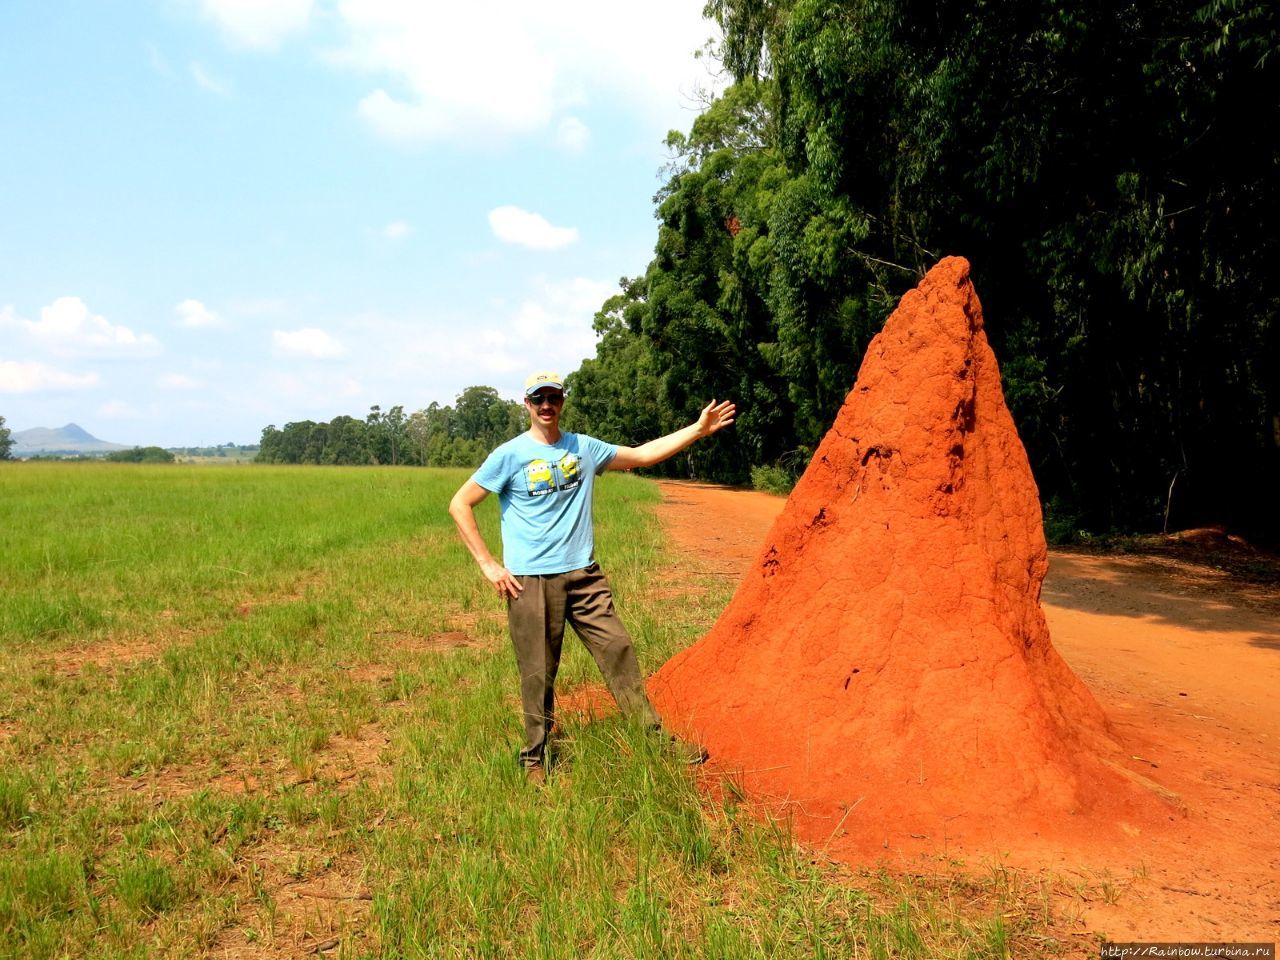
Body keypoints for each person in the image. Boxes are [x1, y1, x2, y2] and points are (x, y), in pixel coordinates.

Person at [449, 371, 736, 784]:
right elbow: (460, 504)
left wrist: (698, 429)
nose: (547, 405)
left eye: (554, 398)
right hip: (530, 582)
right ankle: (534, 756)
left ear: (562, 401)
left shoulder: (584, 447)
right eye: (538, 399)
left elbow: (642, 456)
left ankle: (653, 739)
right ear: (526, 404)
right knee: (537, 671)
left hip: (583, 576)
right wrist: (488, 565)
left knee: (617, 647)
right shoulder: (508, 455)